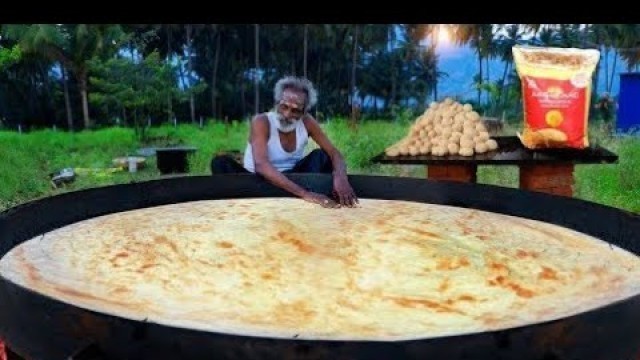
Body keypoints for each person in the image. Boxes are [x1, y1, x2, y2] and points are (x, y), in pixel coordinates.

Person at [211, 76, 358, 208]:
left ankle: (303, 195)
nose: (287, 115)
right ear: (276, 104)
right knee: (220, 162)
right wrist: (305, 194)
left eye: (295, 110)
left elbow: (334, 153)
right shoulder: (262, 121)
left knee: (322, 156)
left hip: (294, 178)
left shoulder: (307, 122)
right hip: (257, 181)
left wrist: (340, 177)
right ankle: (293, 195)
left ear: (304, 112)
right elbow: (261, 165)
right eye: (284, 107)